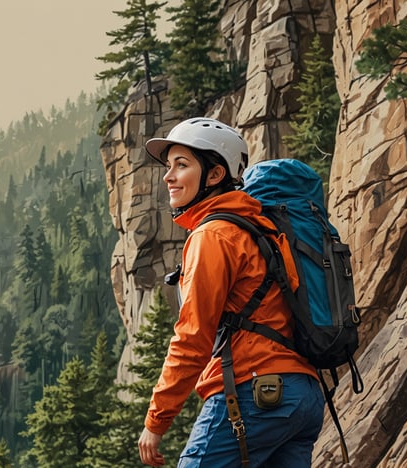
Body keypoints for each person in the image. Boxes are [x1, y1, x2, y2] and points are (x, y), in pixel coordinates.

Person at [138, 117, 325, 467]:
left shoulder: (214, 235)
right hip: (303, 395)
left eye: (182, 164)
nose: (168, 176)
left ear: (214, 175)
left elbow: (193, 337)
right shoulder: (260, 227)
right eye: (168, 166)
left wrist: (156, 420)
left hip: (257, 393)